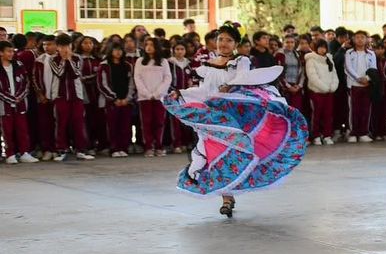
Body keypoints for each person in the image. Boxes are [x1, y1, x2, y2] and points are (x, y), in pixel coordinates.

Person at [163, 24, 308, 218]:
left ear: (236, 44)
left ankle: (231, 192)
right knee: (213, 155)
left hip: (234, 118)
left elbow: (243, 80)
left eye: (228, 40)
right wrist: (181, 92)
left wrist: (229, 87)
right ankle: (226, 198)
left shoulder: (241, 61)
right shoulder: (208, 66)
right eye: (220, 39)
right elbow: (204, 91)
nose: (223, 43)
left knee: (236, 153)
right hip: (214, 119)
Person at [35, 34, 95, 161]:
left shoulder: (77, 58)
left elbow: (76, 74)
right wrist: (63, 60)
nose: (65, 49)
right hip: (60, 95)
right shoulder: (53, 60)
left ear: (71, 46)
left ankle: (81, 149)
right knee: (61, 123)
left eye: (67, 46)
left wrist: (69, 59)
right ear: (58, 47)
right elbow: (60, 74)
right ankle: (61, 149)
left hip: (76, 96)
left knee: (79, 122)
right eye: (62, 46)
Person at [133, 37, 173, 157]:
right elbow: (137, 78)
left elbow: (167, 78)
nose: (149, 47)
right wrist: (146, 93)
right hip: (144, 98)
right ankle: (149, 146)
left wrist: (157, 93)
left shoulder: (163, 61)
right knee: (146, 122)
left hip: (160, 97)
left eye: (152, 45)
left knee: (159, 122)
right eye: (147, 45)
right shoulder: (140, 61)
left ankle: (159, 146)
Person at [0, 40, 36, 163]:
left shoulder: (18, 65)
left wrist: (19, 97)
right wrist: (10, 98)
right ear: (1, 53)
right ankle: (10, 154)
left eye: (12, 51)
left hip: (20, 103)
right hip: (4, 105)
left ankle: (24, 152)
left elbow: (26, 82)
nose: (11, 54)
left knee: (22, 128)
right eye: (8, 51)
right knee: (7, 131)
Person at [98, 43, 135, 157]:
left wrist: (127, 98)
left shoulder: (128, 66)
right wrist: (114, 98)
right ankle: (114, 148)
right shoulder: (104, 66)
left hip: (126, 101)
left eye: (120, 50)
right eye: (115, 50)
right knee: (112, 125)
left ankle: (123, 147)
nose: (118, 52)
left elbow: (131, 83)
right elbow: (102, 84)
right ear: (110, 51)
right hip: (111, 102)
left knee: (125, 125)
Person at [343, 30, 377, 143]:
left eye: (362, 37)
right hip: (353, 85)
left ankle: (363, 132)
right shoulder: (349, 53)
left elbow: (374, 68)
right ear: (353, 39)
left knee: (365, 109)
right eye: (357, 37)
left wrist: (367, 79)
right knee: (353, 110)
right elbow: (348, 68)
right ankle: (353, 132)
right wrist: (358, 78)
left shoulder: (371, 53)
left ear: (366, 39)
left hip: (367, 85)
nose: (360, 39)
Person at [304, 40, 339, 146]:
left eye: (324, 47)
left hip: (329, 92)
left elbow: (334, 75)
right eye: (320, 47)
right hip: (316, 92)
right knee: (316, 114)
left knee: (328, 114)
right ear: (315, 48)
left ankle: (327, 135)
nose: (322, 49)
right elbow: (312, 76)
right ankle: (316, 136)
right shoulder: (311, 59)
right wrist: (323, 87)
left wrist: (333, 87)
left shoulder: (329, 59)